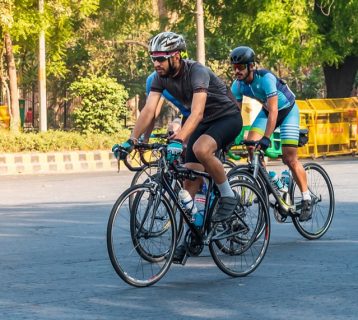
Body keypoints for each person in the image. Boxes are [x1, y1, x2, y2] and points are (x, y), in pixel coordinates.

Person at [113, 31, 243, 263]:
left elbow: (197, 112)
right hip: (201, 123)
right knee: (189, 179)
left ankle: (227, 195)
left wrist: (179, 139)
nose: (156, 63)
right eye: (153, 58)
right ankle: (192, 236)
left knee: (202, 149)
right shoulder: (158, 77)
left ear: (176, 56)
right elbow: (149, 110)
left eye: (161, 58)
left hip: (226, 117)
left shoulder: (197, 72)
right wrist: (132, 140)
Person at [229, 46, 312, 221]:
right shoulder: (237, 86)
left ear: (251, 66)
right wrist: (231, 137)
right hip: (267, 113)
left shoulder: (265, 78)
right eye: (234, 67)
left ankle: (306, 198)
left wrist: (266, 138)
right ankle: (270, 182)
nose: (237, 71)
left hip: (287, 111)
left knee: (289, 158)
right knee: (251, 145)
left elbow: (274, 110)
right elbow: (236, 114)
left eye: (241, 67)